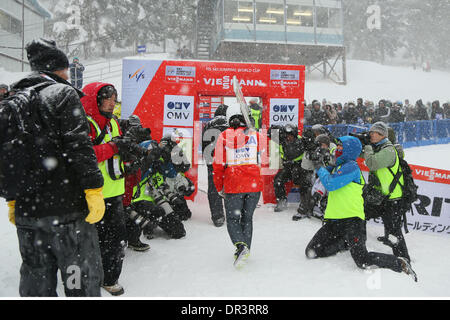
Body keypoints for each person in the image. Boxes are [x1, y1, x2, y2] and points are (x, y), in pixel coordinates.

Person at [7, 38, 105, 296]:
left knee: (36, 278)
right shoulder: (62, 94)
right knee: (77, 277)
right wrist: (93, 189)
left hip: (28, 214)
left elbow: (7, 153)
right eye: (64, 69)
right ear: (57, 69)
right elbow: (80, 148)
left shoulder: (13, 99)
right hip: (67, 215)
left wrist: (12, 199)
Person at [305, 135, 417, 281]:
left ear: (349, 151)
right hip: (334, 220)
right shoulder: (338, 165)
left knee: (362, 260)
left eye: (340, 147)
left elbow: (331, 183)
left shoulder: (351, 166)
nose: (337, 150)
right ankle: (345, 242)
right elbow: (324, 170)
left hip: (352, 221)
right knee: (312, 252)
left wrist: (319, 165)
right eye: (337, 146)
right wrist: (318, 158)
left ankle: (399, 262)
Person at [81, 82, 138, 296]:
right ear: (95, 99)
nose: (112, 102)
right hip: (92, 193)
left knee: (116, 239)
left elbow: (116, 150)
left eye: (115, 98)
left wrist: (128, 152)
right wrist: (114, 147)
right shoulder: (85, 123)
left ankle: (110, 278)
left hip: (114, 191)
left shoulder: (113, 122)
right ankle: (85, 276)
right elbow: (84, 155)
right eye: (108, 98)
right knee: (91, 240)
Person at [212, 103, 263, 268]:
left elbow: (218, 165)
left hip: (234, 184)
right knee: (247, 218)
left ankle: (241, 246)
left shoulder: (223, 136)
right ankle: (245, 248)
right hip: (254, 184)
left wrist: (219, 186)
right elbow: (267, 155)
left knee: (233, 219)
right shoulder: (256, 134)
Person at [361, 122, 411, 263]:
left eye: (374, 132)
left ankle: (404, 258)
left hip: (391, 199)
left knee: (394, 230)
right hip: (379, 197)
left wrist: (367, 147)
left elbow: (372, 163)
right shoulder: (378, 147)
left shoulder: (388, 150)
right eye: (370, 132)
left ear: (382, 135)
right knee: (360, 216)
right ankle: (358, 244)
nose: (371, 134)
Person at [202, 104, 229, 227]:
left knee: (214, 189)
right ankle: (233, 213)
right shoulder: (231, 122)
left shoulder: (209, 124)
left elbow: (204, 144)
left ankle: (218, 216)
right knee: (231, 187)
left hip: (213, 160)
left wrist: (208, 162)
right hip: (229, 161)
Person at [271, 123, 308, 213]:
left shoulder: (302, 141)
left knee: (304, 182)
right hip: (287, 166)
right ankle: (281, 201)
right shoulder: (282, 141)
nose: (288, 137)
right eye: (287, 135)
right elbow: (270, 134)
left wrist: (295, 162)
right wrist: (274, 129)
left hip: (299, 166)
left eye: (290, 135)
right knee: (278, 180)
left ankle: (304, 203)